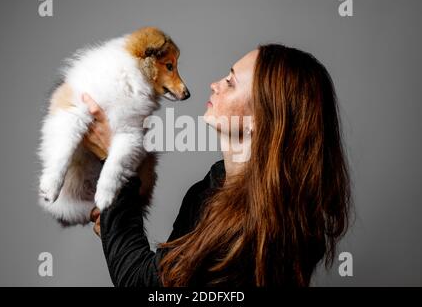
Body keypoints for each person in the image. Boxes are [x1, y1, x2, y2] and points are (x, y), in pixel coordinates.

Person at [81, 43, 351, 287]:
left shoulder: (253, 227)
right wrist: (117, 221)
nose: (215, 84)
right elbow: (169, 280)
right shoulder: (211, 188)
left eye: (231, 82)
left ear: (261, 119)